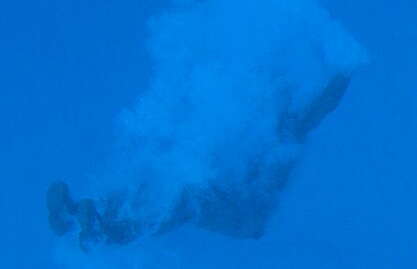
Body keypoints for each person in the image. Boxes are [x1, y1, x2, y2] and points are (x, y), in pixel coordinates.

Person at [46, 72, 353, 252]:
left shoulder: (290, 132)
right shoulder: (259, 133)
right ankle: (86, 213)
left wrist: (346, 68)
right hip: (233, 199)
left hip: (249, 218)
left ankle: (112, 231)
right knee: (161, 183)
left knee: (183, 198)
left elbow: (322, 107)